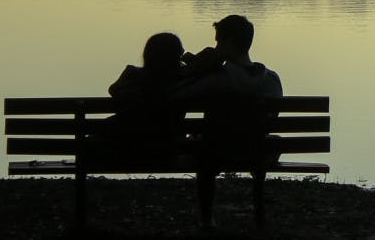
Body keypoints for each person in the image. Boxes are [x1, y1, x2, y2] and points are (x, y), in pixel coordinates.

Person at [168, 15, 282, 227]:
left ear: (228, 43)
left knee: (202, 149)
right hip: (257, 151)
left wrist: (194, 69)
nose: (216, 46)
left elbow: (175, 95)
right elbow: (271, 118)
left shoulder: (216, 79)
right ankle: (259, 219)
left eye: (218, 42)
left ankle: (207, 220)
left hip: (216, 152)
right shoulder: (271, 80)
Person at [104, 32, 186, 146]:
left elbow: (113, 90)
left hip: (125, 148)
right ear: (176, 56)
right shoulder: (181, 81)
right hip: (166, 152)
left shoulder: (132, 75)